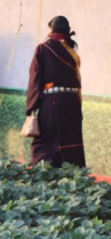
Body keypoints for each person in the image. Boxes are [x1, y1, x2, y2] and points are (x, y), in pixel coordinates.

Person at [25, 16, 85, 168]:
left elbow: (35, 78)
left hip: (52, 102)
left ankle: (47, 175)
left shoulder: (43, 48)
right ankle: (74, 174)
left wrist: (31, 106)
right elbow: (78, 81)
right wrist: (79, 105)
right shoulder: (73, 52)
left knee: (45, 141)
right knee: (71, 139)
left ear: (51, 29)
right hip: (72, 102)